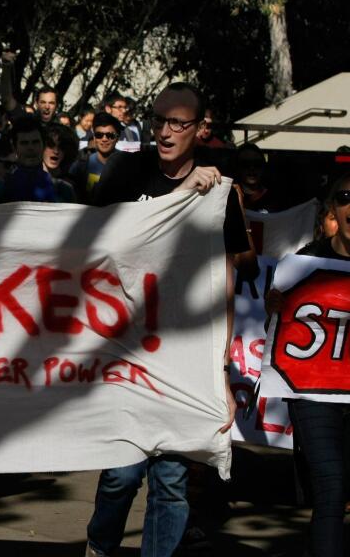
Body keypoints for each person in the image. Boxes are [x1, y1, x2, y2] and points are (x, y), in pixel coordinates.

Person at [87, 82, 248, 557]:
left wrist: (220, 371)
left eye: (178, 122)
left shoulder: (218, 192)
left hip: (184, 353)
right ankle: (100, 546)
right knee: (122, 472)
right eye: (158, 120)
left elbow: (227, 282)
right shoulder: (128, 170)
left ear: (201, 128)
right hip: (124, 347)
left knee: (173, 479)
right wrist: (180, 195)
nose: (164, 131)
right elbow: (92, 240)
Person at [264, 173, 350, 557]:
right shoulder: (301, 266)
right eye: (346, 197)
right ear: (333, 210)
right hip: (314, 396)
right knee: (331, 488)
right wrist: (274, 310)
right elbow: (276, 331)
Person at [0, 117, 76, 204]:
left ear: (43, 145)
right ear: (14, 147)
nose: (30, 148)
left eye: (35, 142)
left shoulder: (64, 190)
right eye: (24, 143)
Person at [69, 112, 121, 202]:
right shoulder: (80, 166)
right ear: (94, 138)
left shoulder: (128, 164)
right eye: (99, 135)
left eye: (110, 135)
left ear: (117, 138)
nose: (104, 139)